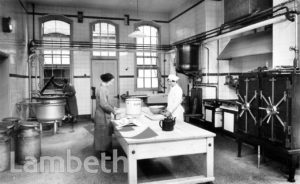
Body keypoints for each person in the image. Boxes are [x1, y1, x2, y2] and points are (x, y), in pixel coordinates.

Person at [94, 73, 117, 158]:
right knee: (103, 134)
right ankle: (104, 154)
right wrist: (113, 111)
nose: (112, 83)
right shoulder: (102, 89)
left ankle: (104, 151)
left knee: (103, 134)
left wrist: (113, 107)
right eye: (112, 81)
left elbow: (107, 101)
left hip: (101, 114)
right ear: (108, 80)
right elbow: (104, 104)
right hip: (102, 115)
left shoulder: (101, 87)